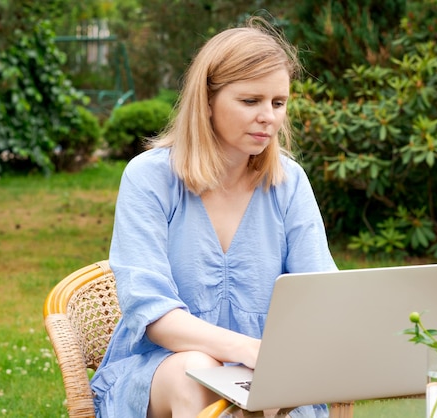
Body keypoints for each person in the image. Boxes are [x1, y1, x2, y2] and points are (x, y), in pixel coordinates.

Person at [90, 17, 336, 418]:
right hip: (163, 372)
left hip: (269, 380)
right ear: (206, 101)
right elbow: (155, 317)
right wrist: (251, 352)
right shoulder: (149, 177)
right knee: (198, 371)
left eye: (278, 103)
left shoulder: (288, 182)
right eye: (250, 101)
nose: (269, 117)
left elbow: (322, 296)